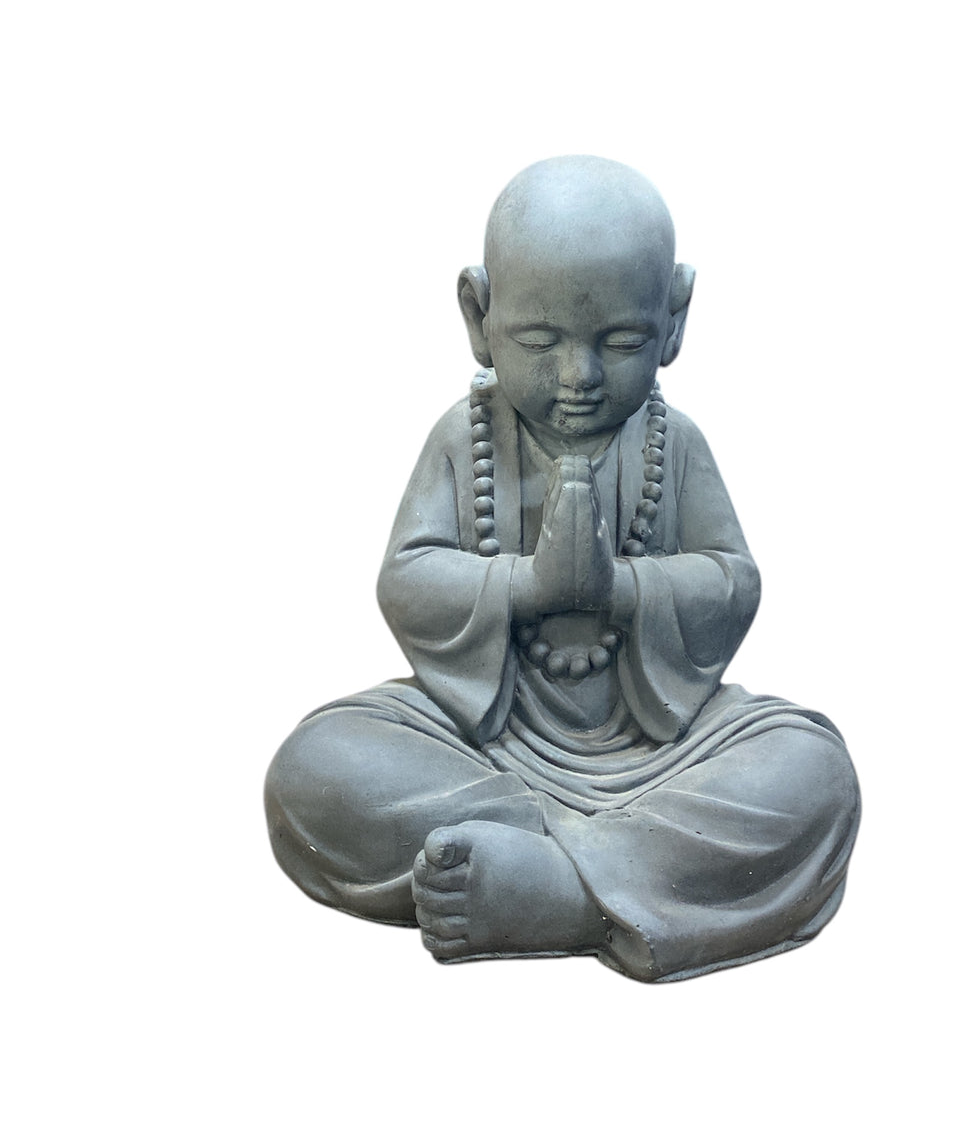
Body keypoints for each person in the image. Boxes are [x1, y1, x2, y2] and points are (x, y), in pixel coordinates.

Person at [265, 155, 860, 982]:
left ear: (675, 319)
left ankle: (552, 886)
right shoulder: (463, 437)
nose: (579, 376)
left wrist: (621, 590)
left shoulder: (675, 443)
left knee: (813, 770)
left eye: (622, 341)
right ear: (478, 315)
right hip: (489, 746)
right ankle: (613, 872)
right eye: (539, 341)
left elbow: (733, 579)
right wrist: (527, 587)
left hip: (659, 748)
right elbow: (408, 578)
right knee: (318, 769)